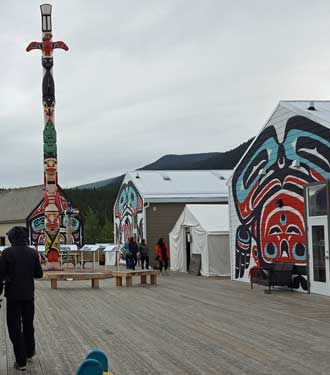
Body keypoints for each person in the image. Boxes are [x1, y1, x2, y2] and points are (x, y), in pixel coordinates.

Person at [0, 226, 43, 371]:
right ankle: (30, 352)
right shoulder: (32, 253)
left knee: (14, 327)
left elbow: (0, 276)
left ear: (12, 238)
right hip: (28, 295)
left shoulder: (6, 254)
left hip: (13, 296)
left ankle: (21, 361)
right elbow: (39, 274)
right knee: (28, 324)